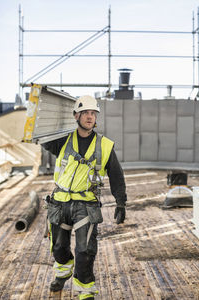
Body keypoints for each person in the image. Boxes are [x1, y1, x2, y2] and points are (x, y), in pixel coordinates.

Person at [42, 95, 127, 300]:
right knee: (59, 247)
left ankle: (85, 290)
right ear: (76, 115)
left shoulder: (105, 145)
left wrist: (121, 201)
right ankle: (62, 274)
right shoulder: (62, 140)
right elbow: (41, 135)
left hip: (86, 205)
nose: (90, 117)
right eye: (85, 113)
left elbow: (116, 174)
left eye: (93, 113)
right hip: (60, 203)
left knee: (85, 250)